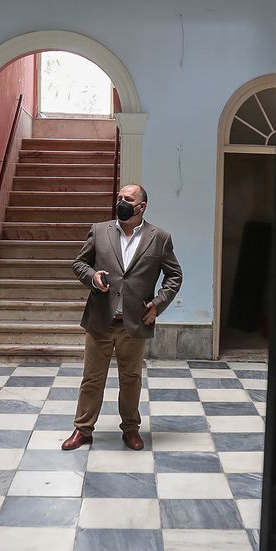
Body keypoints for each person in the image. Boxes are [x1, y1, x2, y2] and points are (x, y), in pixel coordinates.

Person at [66, 184, 182, 452]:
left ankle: (130, 429)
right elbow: (79, 263)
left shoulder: (160, 237)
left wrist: (157, 305)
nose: (121, 202)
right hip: (101, 320)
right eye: (119, 198)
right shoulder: (99, 231)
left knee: (131, 380)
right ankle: (82, 430)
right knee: (92, 379)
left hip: (135, 322)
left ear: (142, 206)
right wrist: (92, 277)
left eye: (128, 199)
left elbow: (174, 275)